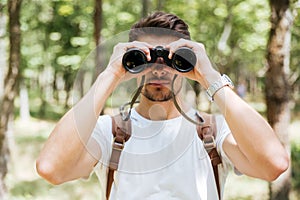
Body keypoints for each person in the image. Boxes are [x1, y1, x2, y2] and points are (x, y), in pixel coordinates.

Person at [36, 11, 289, 200]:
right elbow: (51, 169)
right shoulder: (111, 132)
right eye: (146, 58)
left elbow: (273, 165)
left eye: (172, 58)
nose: (160, 68)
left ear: (188, 61)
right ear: (133, 62)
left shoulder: (212, 131)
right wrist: (109, 76)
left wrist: (209, 75)